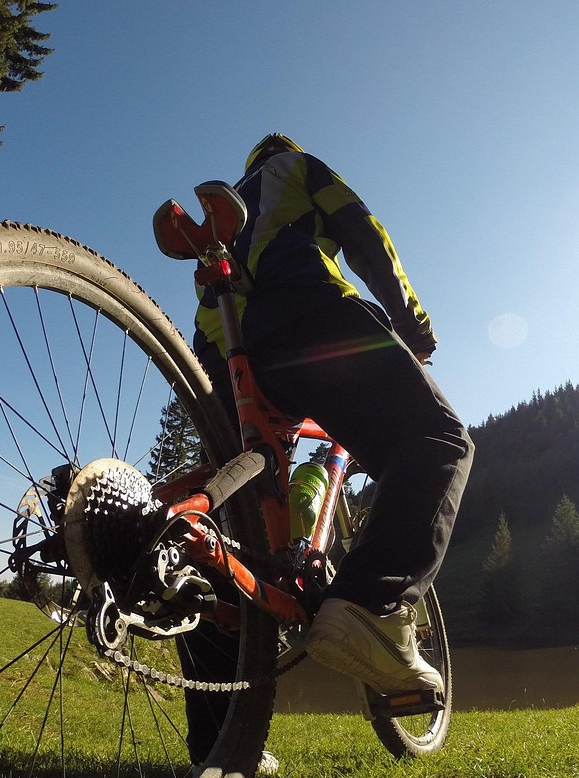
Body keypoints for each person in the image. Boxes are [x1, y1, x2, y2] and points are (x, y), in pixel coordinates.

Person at [193, 133, 474, 699]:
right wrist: (413, 325)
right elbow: (366, 234)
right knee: (439, 441)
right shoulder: (295, 168)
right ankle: (371, 603)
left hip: (222, 358)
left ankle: (218, 750)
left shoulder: (230, 214)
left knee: (223, 546)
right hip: (307, 316)